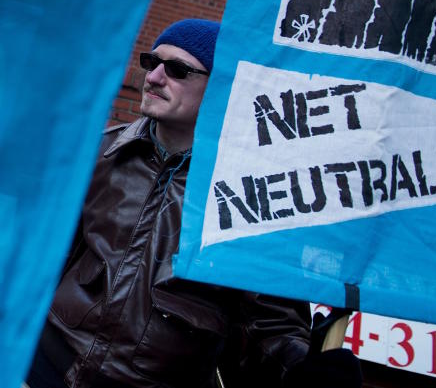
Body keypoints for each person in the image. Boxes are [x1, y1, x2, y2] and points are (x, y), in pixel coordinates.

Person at [27, 19, 361, 388]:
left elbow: (271, 320)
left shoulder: (252, 191)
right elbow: (40, 259)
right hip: (45, 369)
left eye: (177, 70)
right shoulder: (100, 153)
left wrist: (301, 367)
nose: (153, 77)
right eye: (151, 62)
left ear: (218, 90)